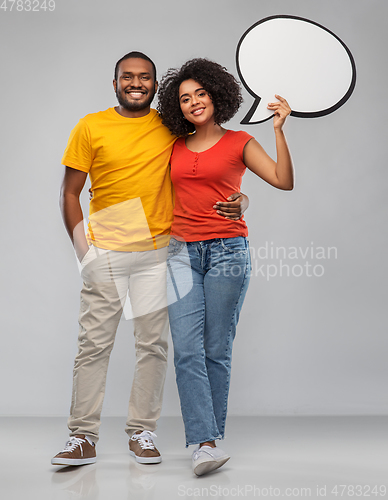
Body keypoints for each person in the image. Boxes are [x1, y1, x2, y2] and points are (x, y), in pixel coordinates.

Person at [52, 52, 248, 467]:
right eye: (128, 76)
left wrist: (243, 197)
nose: (136, 82)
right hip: (104, 250)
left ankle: (142, 431)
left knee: (153, 346)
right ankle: (82, 436)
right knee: (93, 345)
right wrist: (82, 250)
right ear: (115, 82)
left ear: (156, 86)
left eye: (145, 77)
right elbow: (70, 193)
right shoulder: (91, 126)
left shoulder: (172, 128)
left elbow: (210, 164)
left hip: (161, 250)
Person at [157, 58, 294, 476]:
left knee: (216, 348)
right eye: (184, 98)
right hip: (180, 253)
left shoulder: (239, 142)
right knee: (186, 349)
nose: (194, 102)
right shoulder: (173, 145)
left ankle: (207, 442)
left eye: (200, 93)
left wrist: (277, 131)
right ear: (176, 108)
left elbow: (283, 180)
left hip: (227, 251)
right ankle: (205, 441)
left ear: (217, 95)